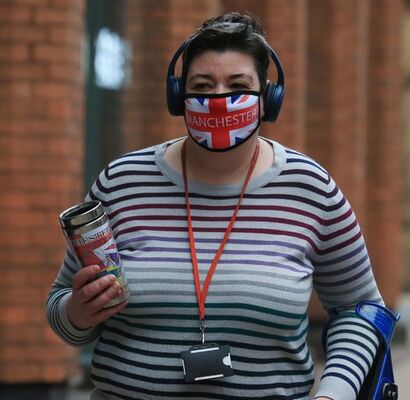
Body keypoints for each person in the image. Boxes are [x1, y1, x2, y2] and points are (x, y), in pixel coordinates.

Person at [47, 12, 384, 400]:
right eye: (203, 86)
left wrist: (335, 393)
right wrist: (78, 313)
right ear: (179, 98)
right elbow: (61, 311)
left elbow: (360, 309)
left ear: (268, 99)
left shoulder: (310, 188)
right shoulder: (122, 182)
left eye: (238, 85)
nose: (220, 100)